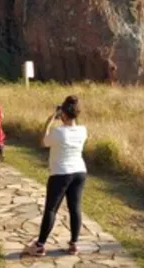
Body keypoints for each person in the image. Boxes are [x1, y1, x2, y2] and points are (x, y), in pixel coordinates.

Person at [24, 96, 87, 257]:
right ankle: (74, 244)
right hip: (79, 171)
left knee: (51, 209)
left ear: (63, 114)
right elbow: (73, 126)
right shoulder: (83, 130)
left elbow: (43, 142)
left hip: (60, 173)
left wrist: (49, 121)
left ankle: (39, 245)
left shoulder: (58, 132)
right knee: (75, 208)